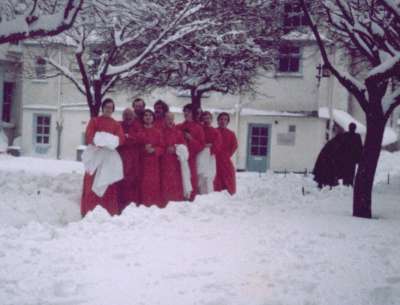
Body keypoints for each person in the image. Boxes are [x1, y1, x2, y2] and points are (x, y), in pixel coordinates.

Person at [81, 98, 125, 217]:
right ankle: (90, 211)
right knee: (92, 183)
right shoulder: (94, 121)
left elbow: (120, 140)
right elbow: (90, 136)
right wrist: (105, 140)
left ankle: (108, 212)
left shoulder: (116, 124)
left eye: (111, 107)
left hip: (108, 160)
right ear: (102, 108)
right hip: (95, 157)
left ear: (113, 110)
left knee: (107, 184)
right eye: (106, 107)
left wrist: (103, 139)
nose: (108, 109)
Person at [313, 122, 363, 188]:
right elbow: (359, 149)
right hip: (348, 160)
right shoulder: (355, 137)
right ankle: (347, 185)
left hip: (345, 160)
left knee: (347, 175)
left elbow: (357, 148)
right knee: (349, 175)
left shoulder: (345, 136)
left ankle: (346, 185)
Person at [176, 103, 205, 201]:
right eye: (185, 112)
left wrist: (191, 139)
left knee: (191, 177)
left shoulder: (198, 128)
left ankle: (191, 199)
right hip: (180, 158)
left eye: (188, 112)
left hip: (192, 158)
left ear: (193, 113)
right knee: (180, 178)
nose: (186, 114)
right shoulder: (179, 126)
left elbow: (201, 145)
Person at [137, 109, 164, 207]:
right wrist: (143, 149)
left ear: (153, 118)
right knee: (143, 185)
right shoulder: (139, 131)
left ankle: (154, 206)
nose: (148, 117)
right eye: (146, 115)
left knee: (153, 185)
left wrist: (154, 150)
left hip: (154, 164)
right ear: (143, 118)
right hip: (142, 163)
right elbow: (135, 147)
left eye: (150, 115)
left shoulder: (158, 132)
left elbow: (162, 147)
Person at [160, 112, 188, 203]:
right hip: (163, 161)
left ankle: (176, 200)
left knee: (175, 182)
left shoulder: (178, 132)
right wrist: (165, 148)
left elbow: (184, 145)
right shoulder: (160, 131)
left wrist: (176, 148)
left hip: (175, 161)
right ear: (164, 119)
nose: (170, 121)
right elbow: (157, 143)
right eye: (168, 119)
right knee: (164, 182)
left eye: (171, 119)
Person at [117, 108, 139, 212]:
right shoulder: (119, 125)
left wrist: (127, 138)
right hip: (121, 159)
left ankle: (132, 207)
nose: (128, 118)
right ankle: (121, 206)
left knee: (132, 183)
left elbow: (138, 139)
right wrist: (128, 138)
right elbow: (118, 140)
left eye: (130, 116)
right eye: (126, 116)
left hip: (134, 160)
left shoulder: (137, 126)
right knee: (122, 183)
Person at [214, 112, 238, 195]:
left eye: (225, 119)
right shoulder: (214, 131)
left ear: (228, 122)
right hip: (214, 161)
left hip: (226, 161)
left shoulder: (231, 134)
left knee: (228, 181)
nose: (223, 121)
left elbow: (234, 146)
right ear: (217, 121)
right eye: (221, 119)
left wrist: (227, 155)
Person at [197, 111, 221, 194]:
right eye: (204, 119)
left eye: (208, 118)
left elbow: (218, 144)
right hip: (200, 155)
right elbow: (197, 141)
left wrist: (211, 147)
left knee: (209, 176)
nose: (206, 121)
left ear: (211, 119)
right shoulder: (200, 129)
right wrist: (203, 145)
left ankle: (208, 194)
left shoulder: (215, 131)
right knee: (200, 174)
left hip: (210, 157)